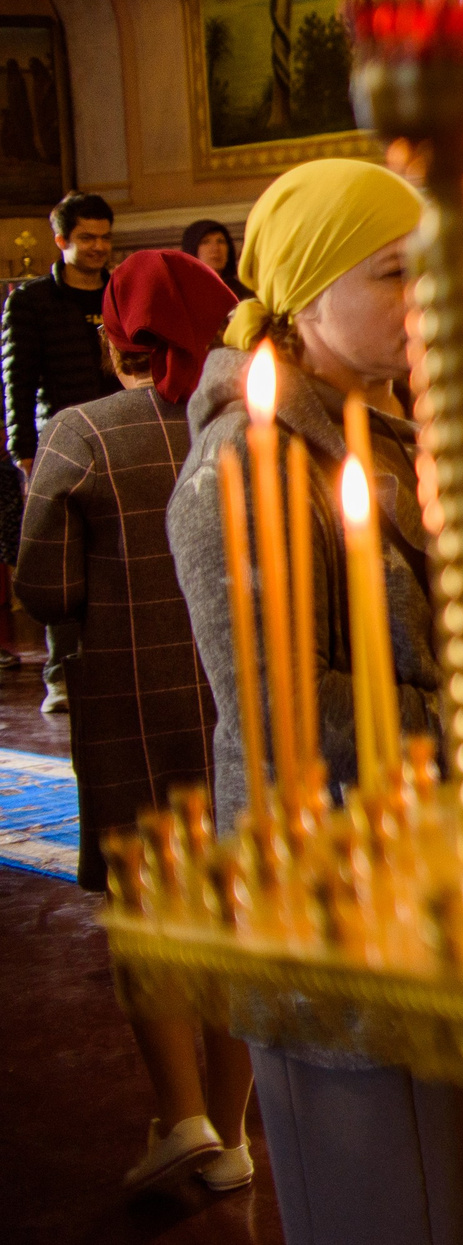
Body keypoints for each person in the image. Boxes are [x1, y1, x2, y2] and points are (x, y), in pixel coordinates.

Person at [168, 158, 463, 1245]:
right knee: (395, 1200)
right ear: (307, 296)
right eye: (396, 275)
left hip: (445, 876)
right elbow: (282, 709)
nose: (429, 303)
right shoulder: (246, 460)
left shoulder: (388, 428)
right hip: (338, 902)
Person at [17, 248, 254, 1197]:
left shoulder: (83, 433)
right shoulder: (255, 429)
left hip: (131, 710)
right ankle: (234, 1135)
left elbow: (46, 586)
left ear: (116, 336)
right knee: (238, 914)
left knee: (150, 911)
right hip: (241, 711)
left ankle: (182, 1111)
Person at [7, 190, 115, 712]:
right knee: (64, 561)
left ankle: (113, 662)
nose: (99, 247)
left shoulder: (120, 291)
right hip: (61, 443)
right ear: (61, 240)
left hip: (120, 436)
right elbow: (17, 383)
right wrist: (22, 451)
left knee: (117, 555)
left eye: (104, 236)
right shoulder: (30, 302)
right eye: (87, 238)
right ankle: (61, 674)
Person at [180, 219, 252, 302]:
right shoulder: (182, 293)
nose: (215, 248)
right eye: (205, 242)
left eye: (221, 241)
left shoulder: (243, 293)